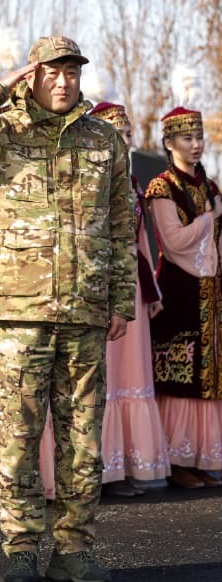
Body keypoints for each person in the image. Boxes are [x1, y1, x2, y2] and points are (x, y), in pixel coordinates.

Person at [0, 35, 135, 582]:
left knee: (82, 439)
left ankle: (74, 548)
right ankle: (20, 547)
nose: (63, 82)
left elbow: (120, 223)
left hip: (85, 309)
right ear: (32, 76)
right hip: (19, 311)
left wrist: (120, 300)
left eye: (72, 72)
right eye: (51, 73)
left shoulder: (104, 139)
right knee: (18, 435)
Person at [40, 103, 171, 498]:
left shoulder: (131, 182)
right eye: (117, 133)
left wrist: (151, 291)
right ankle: (93, 470)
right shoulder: (83, 176)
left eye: (127, 133)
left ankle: (124, 463)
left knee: (130, 378)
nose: (125, 140)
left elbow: (140, 243)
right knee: (100, 379)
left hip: (129, 288)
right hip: (94, 287)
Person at [146, 103, 222, 488]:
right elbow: (174, 242)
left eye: (199, 137)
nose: (196, 145)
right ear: (169, 142)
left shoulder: (209, 186)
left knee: (208, 374)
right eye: (187, 138)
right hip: (178, 288)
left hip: (210, 288)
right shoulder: (162, 187)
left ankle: (203, 456)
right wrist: (209, 218)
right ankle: (177, 460)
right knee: (180, 373)